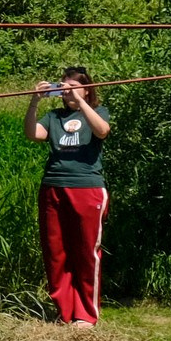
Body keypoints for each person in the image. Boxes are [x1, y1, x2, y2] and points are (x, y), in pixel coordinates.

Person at [25, 67, 113, 326]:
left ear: (87, 88)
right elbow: (32, 134)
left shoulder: (97, 112)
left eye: (74, 86)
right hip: (53, 187)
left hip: (87, 187)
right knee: (56, 252)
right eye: (65, 87)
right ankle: (65, 312)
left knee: (86, 252)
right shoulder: (53, 117)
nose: (68, 91)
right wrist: (34, 101)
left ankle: (85, 315)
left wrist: (81, 101)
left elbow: (102, 131)